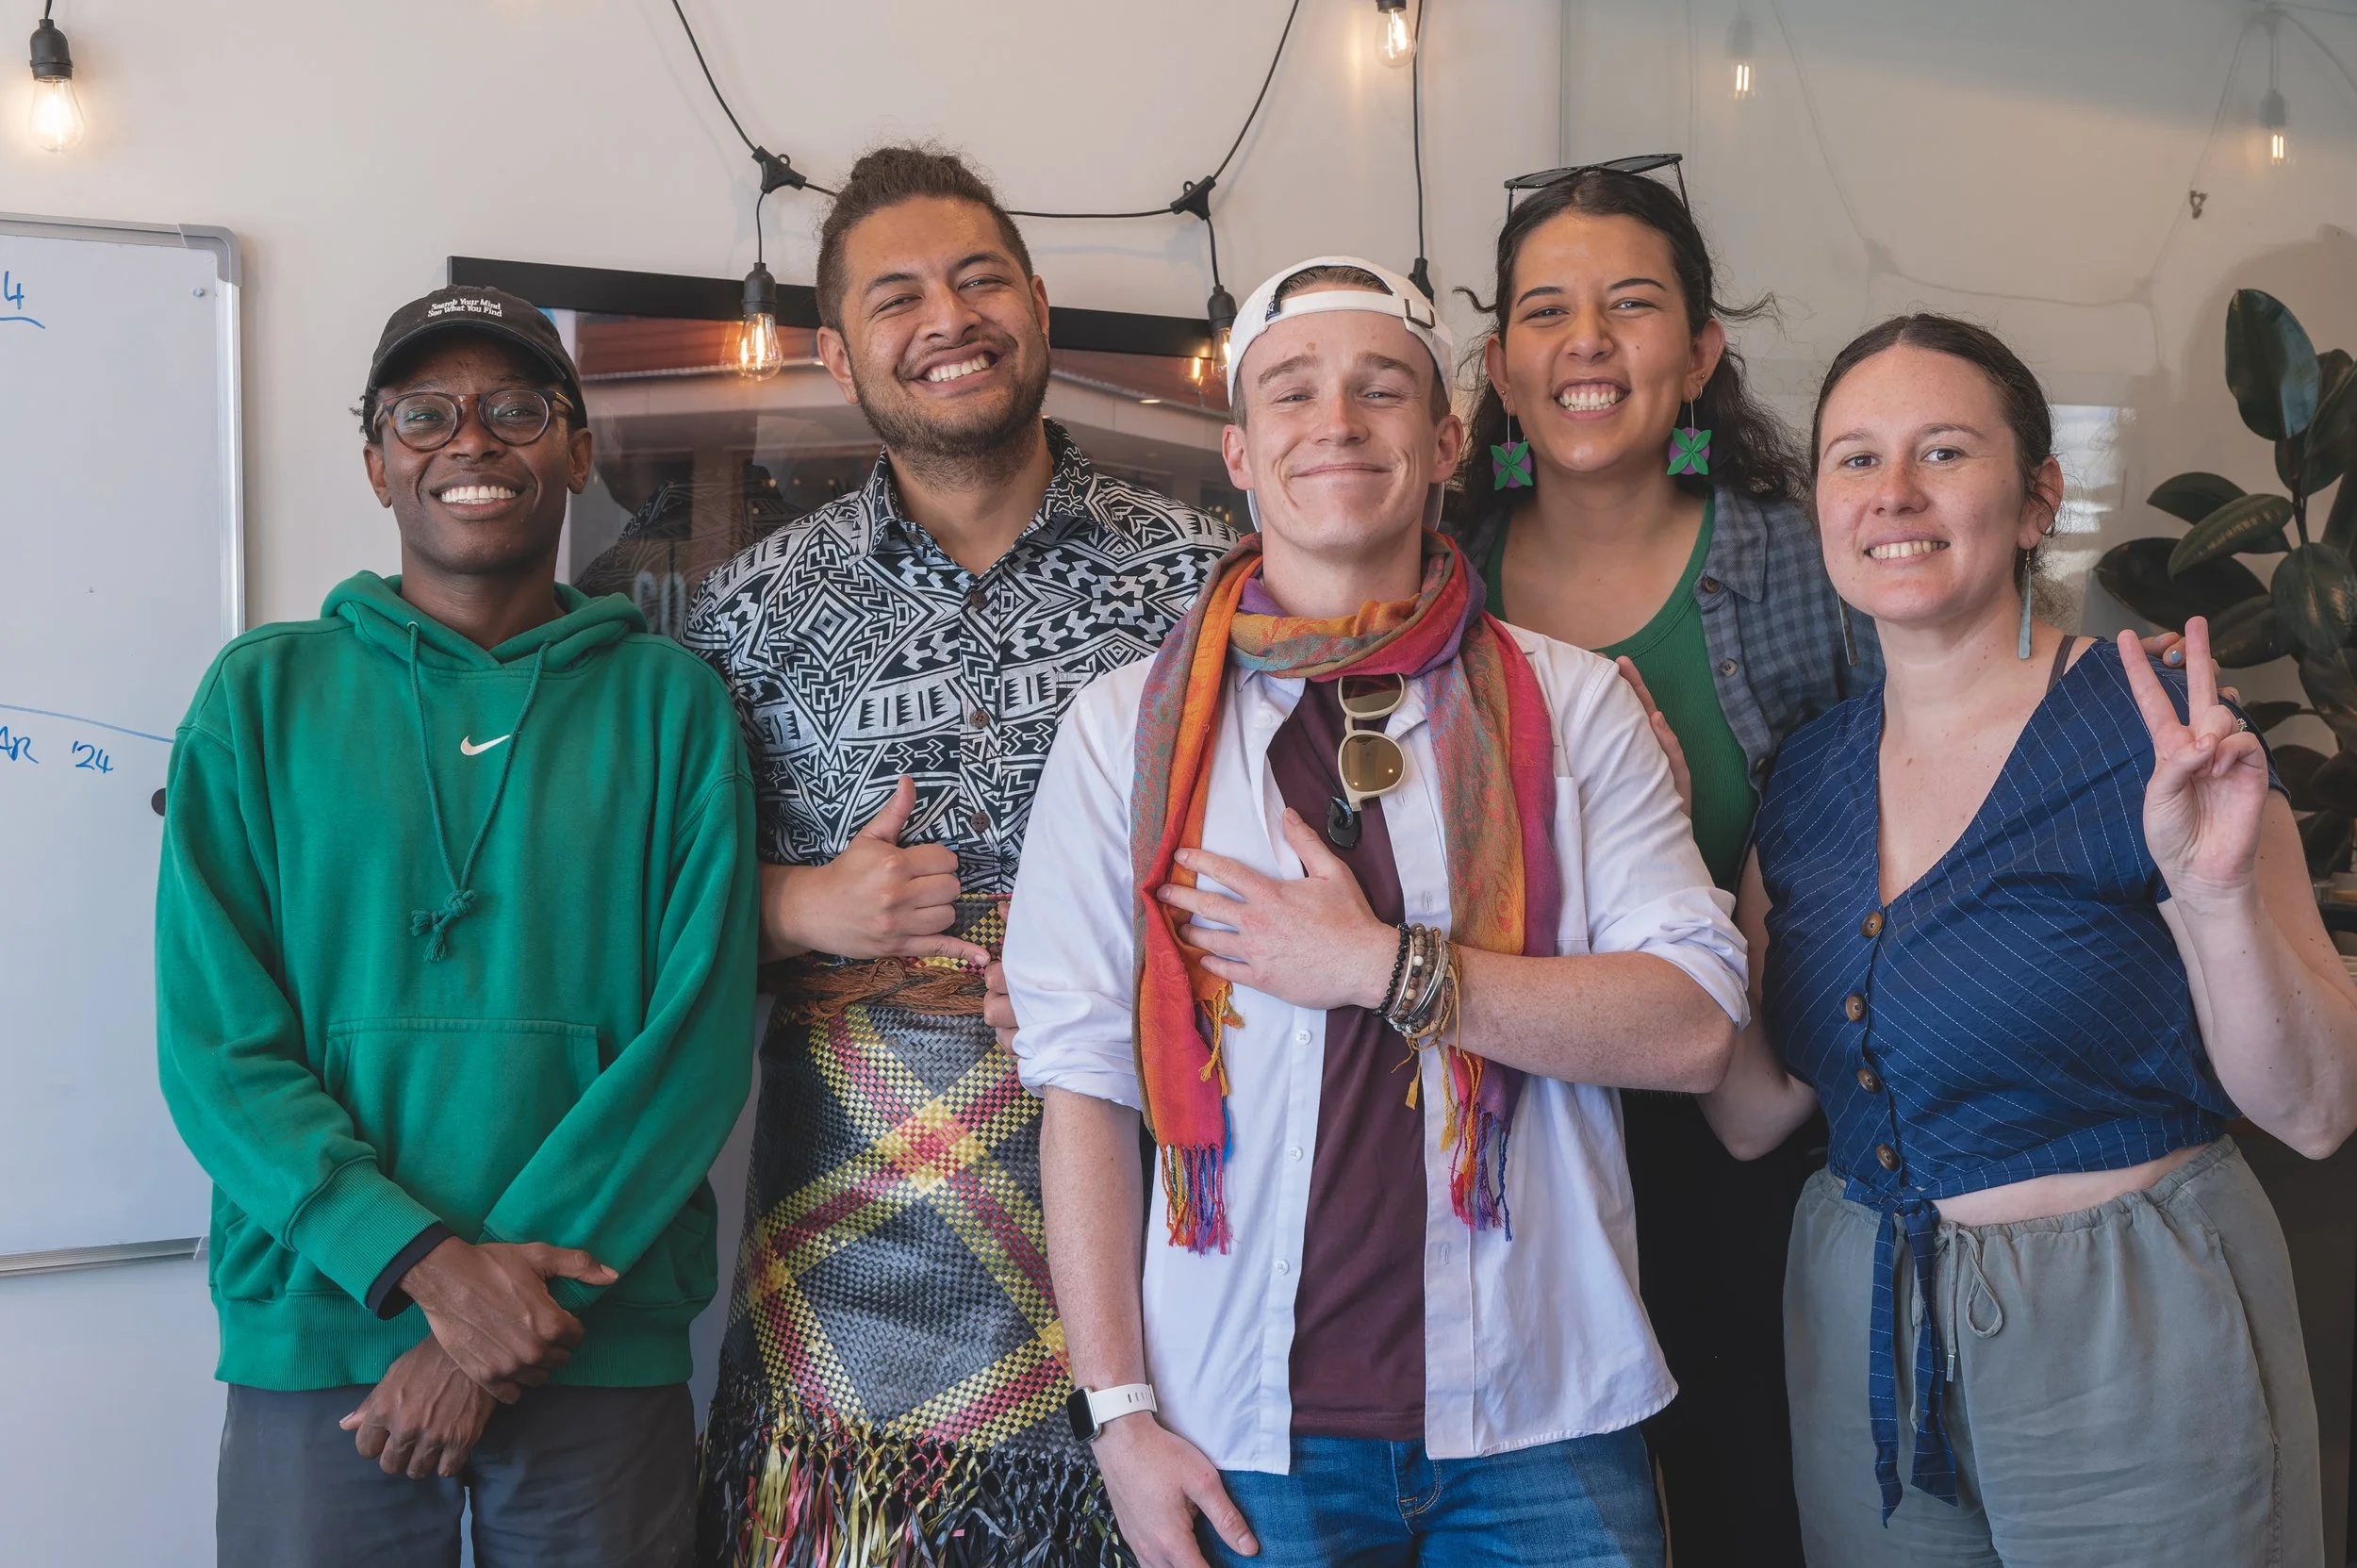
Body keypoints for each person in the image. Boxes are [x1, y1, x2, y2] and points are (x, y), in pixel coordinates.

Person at [1004, 256, 1753, 1568]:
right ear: (1240, 454)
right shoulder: (1122, 733)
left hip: (1540, 1417)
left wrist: (1384, 968)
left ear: (1448, 443)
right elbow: (1086, 1086)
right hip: (1244, 1432)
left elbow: (1694, 1027)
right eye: (1292, 393)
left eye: (1382, 389)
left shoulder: (1575, 705)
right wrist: (1118, 1415)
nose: (1337, 423)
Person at [1699, 312, 2357, 1567]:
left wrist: (2215, 894)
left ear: (2039, 498)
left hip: (2132, 1338)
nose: (1894, 492)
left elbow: (2318, 1111)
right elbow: (1751, 1110)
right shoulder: (1809, 777)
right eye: (1855, 457)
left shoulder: (2156, 725)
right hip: (1864, 1337)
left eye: (1943, 451)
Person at [683, 145, 1234, 1566]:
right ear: (836, 352)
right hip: (840, 1291)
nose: (949, 319)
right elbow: (647, 917)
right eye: (898, 297)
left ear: (1038, 306)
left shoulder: (1208, 582)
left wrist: (1129, 972)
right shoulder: (750, 612)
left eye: (981, 280)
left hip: (1156, 1262)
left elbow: (1296, 878)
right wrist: (796, 904)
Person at [157, 285, 760, 1567]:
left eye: (516, 409)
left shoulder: (672, 706)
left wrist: (490, 1330)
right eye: (424, 413)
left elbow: (695, 1042)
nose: (470, 438)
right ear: (378, 462)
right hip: (322, 1331)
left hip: (594, 1341)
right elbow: (217, 1047)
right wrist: (425, 1267)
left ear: (577, 453)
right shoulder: (259, 697)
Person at [1442, 157, 1873, 1565]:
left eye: (1631, 305)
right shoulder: (1429, 573)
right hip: (1496, 1145)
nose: (1588, 343)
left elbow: (1911, 798)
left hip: (1754, 1137)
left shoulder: (1808, 564)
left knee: (1756, 1506)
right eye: (1546, 312)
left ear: (1698, 354)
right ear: (1500, 369)